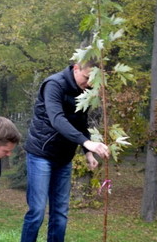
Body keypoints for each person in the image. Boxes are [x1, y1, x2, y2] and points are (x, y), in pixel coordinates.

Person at [20, 61, 110, 242]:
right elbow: (57, 119)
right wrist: (88, 143)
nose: (89, 83)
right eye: (86, 77)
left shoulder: (85, 91)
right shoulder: (54, 84)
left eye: (93, 80)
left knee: (60, 213)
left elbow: (81, 123)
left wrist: (87, 152)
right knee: (37, 211)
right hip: (41, 155)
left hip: (64, 159)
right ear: (76, 68)